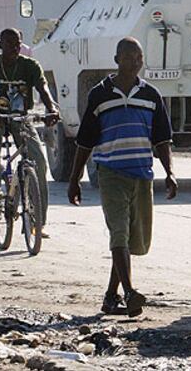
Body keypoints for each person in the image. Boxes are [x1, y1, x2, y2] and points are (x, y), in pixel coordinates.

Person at [68, 37, 178, 318]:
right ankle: (129, 292)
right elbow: (85, 141)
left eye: (139, 57)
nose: (135, 62)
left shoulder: (151, 95)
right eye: (129, 57)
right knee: (119, 233)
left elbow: (162, 139)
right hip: (111, 173)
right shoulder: (100, 94)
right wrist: (75, 177)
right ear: (116, 60)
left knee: (131, 241)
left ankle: (110, 297)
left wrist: (169, 173)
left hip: (142, 174)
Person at [0, 28, 59, 236]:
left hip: (20, 117)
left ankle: (37, 223)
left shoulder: (30, 66)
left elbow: (43, 88)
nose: (15, 48)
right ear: (1, 45)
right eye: (10, 44)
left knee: (39, 161)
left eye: (18, 44)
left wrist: (52, 109)